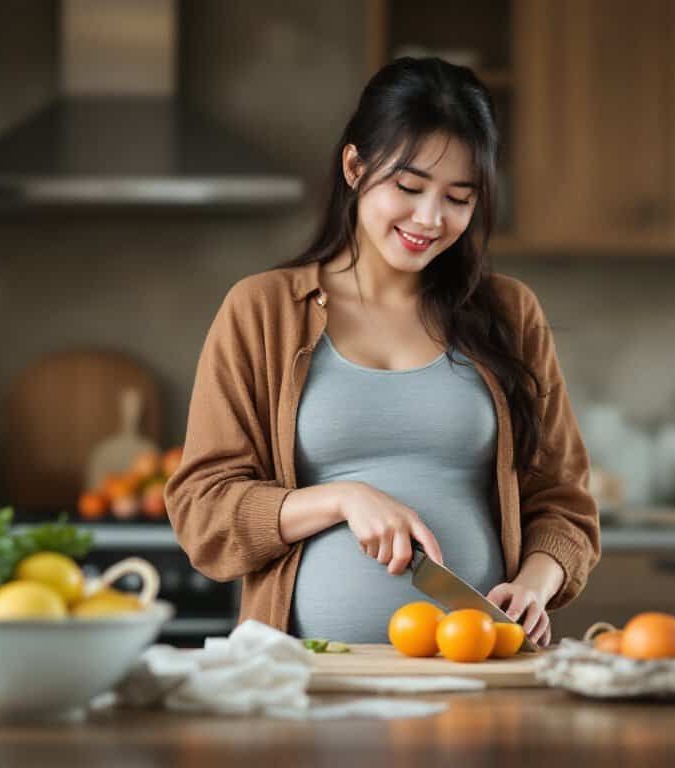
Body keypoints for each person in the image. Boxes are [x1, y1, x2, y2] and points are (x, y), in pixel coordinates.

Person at [165, 57, 599, 647]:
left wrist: (534, 584)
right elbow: (202, 509)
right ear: (355, 166)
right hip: (307, 682)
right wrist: (340, 499)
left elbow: (564, 502)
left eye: (459, 199)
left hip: (477, 672)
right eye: (409, 187)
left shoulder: (509, 313)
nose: (430, 219)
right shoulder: (262, 311)